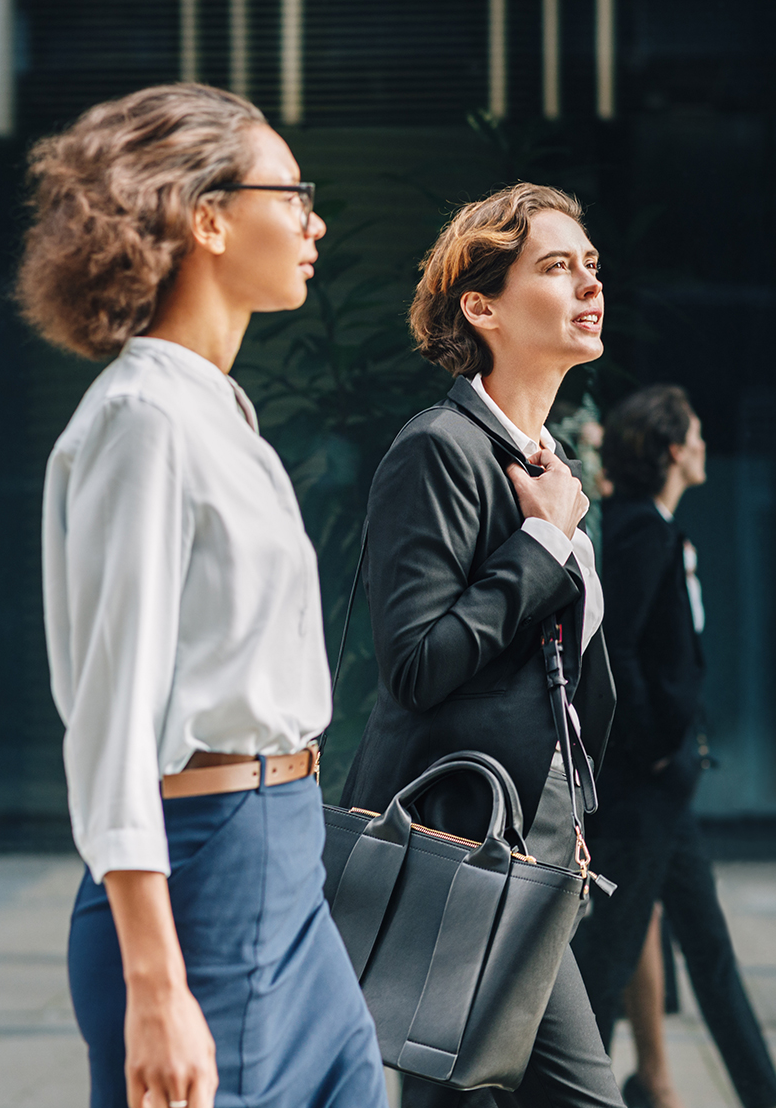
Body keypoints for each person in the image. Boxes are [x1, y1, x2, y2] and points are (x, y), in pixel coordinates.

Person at [16, 83, 388, 1108]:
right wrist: (155, 986)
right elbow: (108, 724)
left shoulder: (215, 413)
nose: (314, 220)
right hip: (203, 878)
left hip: (282, 855)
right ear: (207, 216)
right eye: (293, 192)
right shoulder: (143, 419)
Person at [341, 183, 624, 1108]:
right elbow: (416, 663)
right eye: (555, 265)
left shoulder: (548, 467)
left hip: (526, 856)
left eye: (589, 263)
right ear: (482, 305)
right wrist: (540, 546)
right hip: (460, 857)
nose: (588, 281)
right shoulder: (440, 451)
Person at [572, 386, 776, 1108]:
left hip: (665, 793)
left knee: (712, 956)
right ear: (670, 451)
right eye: (693, 434)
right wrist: (659, 742)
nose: (703, 445)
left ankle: (759, 1089)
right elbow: (617, 650)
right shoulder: (643, 533)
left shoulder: (652, 528)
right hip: (644, 791)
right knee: (605, 964)